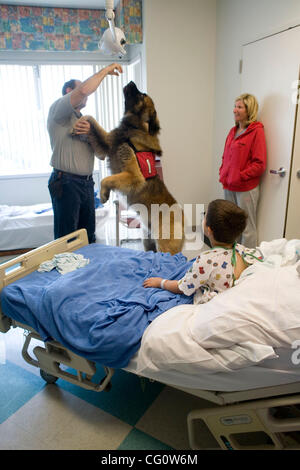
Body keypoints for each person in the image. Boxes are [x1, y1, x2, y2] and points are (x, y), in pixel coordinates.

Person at [47, 63, 123, 243]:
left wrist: (91, 134)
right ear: (68, 91)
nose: (86, 95)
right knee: (67, 240)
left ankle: (87, 269)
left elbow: (102, 154)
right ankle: (68, 272)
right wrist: (105, 70)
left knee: (88, 237)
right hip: (66, 182)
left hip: (87, 184)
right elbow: (83, 91)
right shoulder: (59, 112)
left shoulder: (85, 122)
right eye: (79, 89)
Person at [143, 199, 264, 304]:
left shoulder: (207, 260)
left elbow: (183, 286)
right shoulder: (241, 250)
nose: (203, 218)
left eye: (205, 216)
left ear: (209, 230)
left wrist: (161, 283)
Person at [219, 93, 267, 248]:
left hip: (246, 188)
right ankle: (234, 258)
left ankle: (248, 262)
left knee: (247, 228)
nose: (235, 110)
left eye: (239, 107)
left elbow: (260, 164)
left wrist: (240, 176)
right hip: (229, 185)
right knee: (231, 226)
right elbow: (226, 156)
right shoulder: (232, 132)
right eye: (235, 106)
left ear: (249, 111)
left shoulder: (256, 131)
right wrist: (223, 173)